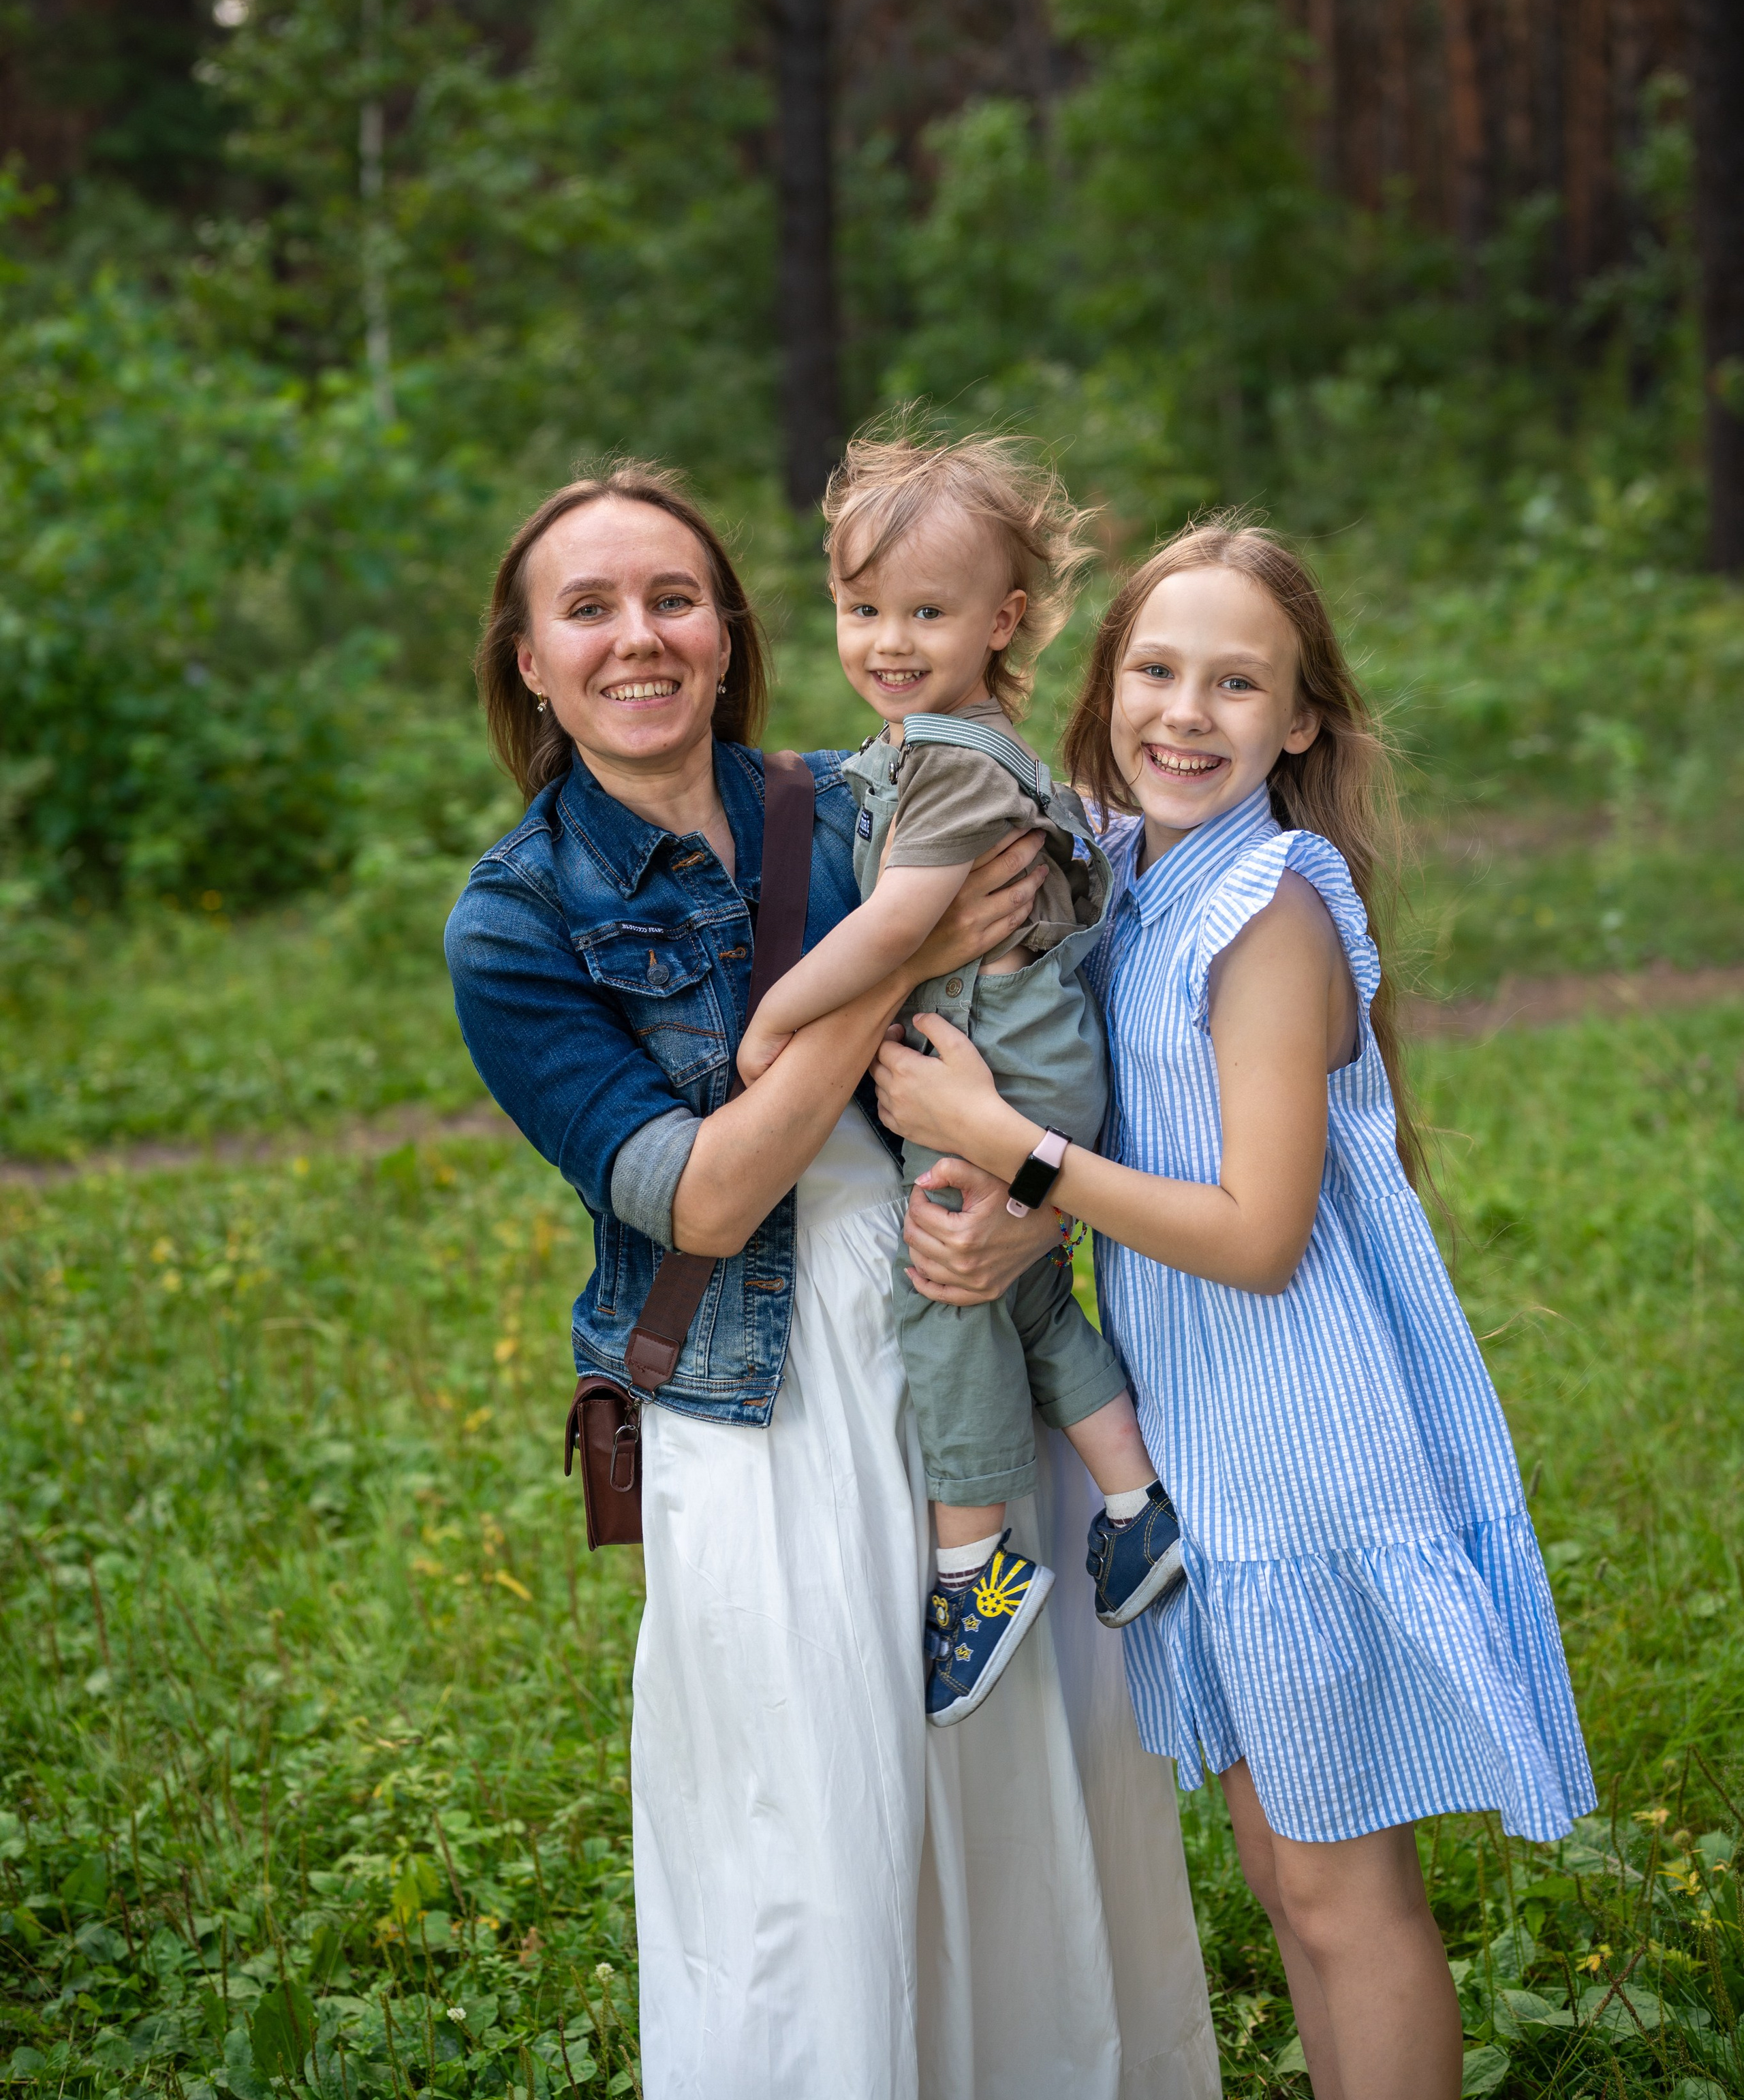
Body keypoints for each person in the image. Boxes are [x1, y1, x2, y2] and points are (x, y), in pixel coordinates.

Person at [443, 464, 1221, 2100]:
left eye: (673, 597)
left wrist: (1022, 1201)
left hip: (961, 1313)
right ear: (528, 658)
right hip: (762, 1396)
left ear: (726, 633)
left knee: (1018, 1821)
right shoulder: (516, 921)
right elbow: (708, 1196)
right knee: (812, 1841)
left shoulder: (861, 792)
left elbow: (1040, 1015)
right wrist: (893, 974)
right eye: (586, 608)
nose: (637, 636)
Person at [872, 514, 1596, 2100]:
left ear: (1300, 719)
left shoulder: (1263, 903)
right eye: (1152, 669)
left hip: (1296, 1436)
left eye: (1234, 683)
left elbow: (1256, 1234)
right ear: (1102, 683)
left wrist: (1014, 1152)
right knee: (1286, 1880)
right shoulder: (1126, 874)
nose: (1181, 714)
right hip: (1206, 1431)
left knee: (1342, 1896)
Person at [739, 428, 1185, 1728]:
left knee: (943, 1287)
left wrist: (779, 1017)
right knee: (1029, 1293)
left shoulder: (943, 761)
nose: (886, 640)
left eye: (925, 612)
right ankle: (1132, 1503)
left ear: (1003, 622)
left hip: (1007, 1080)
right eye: (859, 607)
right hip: (1036, 1065)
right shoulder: (954, 743)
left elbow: (895, 930)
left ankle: (973, 1567)